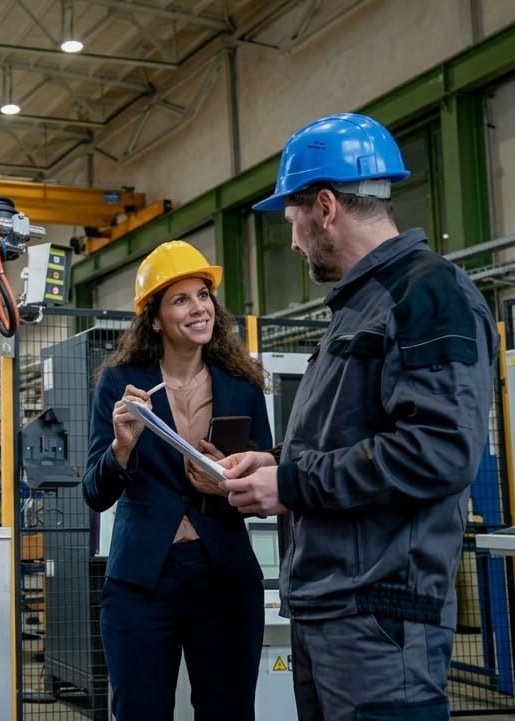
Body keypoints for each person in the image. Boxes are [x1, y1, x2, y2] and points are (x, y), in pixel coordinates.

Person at [222, 112, 498, 721]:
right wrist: (275, 464)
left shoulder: (428, 295)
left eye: (292, 220)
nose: (291, 241)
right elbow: (358, 436)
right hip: (333, 607)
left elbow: (439, 451)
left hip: (379, 614)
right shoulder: (361, 307)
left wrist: (290, 484)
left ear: (324, 207)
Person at [81, 239, 271, 721]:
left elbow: (268, 471)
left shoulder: (241, 384)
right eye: (180, 299)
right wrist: (122, 446)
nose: (198, 308)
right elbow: (95, 492)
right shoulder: (121, 383)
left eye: (203, 295)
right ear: (155, 318)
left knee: (227, 711)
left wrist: (226, 483)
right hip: (143, 579)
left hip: (223, 573)